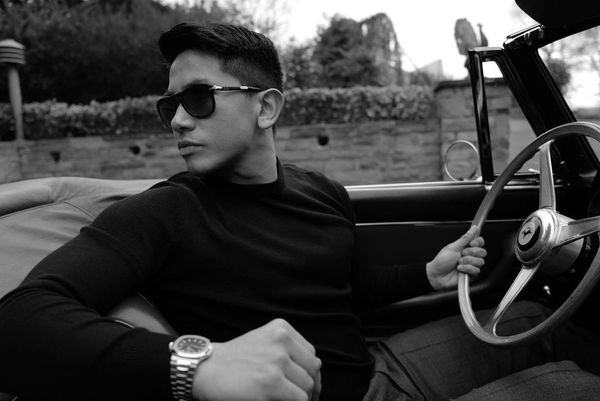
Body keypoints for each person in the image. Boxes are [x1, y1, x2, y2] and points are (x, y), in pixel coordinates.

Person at [0, 22, 597, 401]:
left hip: (376, 365)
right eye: (170, 106)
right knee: (575, 387)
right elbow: (19, 322)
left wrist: (427, 273)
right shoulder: (165, 211)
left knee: (537, 320)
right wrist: (197, 365)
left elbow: (344, 283)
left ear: (266, 108)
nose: (177, 120)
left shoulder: (322, 192)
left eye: (198, 99)